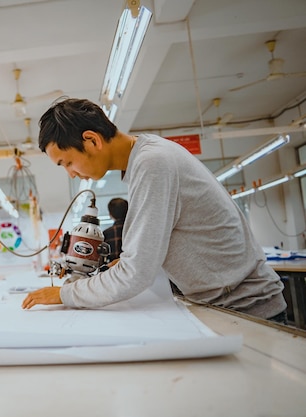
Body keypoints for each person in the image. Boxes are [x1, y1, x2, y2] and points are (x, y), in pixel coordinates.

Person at [22, 98, 288, 324]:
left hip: (247, 310)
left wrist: (65, 294)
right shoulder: (144, 160)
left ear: (91, 141)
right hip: (226, 305)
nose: (71, 174)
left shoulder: (152, 164)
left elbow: (136, 274)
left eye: (67, 162)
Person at [103, 197, 128, 262]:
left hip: (113, 269)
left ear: (110, 215)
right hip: (133, 268)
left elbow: (103, 258)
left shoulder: (106, 234)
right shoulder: (135, 230)